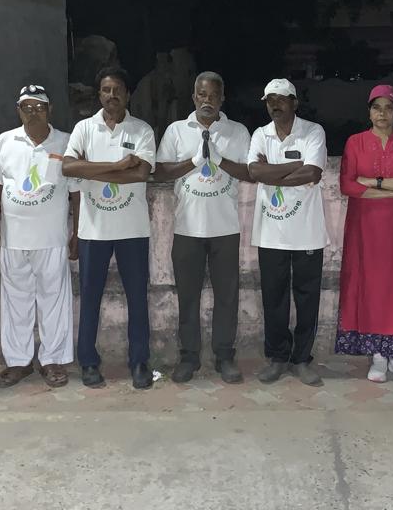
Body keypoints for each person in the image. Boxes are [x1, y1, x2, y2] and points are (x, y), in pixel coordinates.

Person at [153, 71, 253, 384]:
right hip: (187, 228)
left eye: (213, 95)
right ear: (194, 96)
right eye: (202, 94)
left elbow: (249, 173)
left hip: (225, 228)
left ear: (222, 98)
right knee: (188, 297)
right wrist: (194, 161)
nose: (207, 100)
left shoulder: (237, 132)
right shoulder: (176, 130)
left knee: (227, 297)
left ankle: (224, 356)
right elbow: (160, 172)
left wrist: (220, 160)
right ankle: (189, 357)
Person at [61, 66, 157, 389]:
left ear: (127, 94)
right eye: (106, 90)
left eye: (117, 90)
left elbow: (141, 174)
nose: (111, 95)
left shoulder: (142, 130)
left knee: (137, 299)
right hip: (93, 230)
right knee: (90, 298)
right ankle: (88, 362)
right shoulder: (84, 128)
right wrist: (117, 166)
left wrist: (90, 169)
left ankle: (139, 362)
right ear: (99, 94)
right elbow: (68, 167)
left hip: (132, 230)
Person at [0, 84, 79, 388]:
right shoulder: (5, 141)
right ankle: (18, 362)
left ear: (50, 110)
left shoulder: (66, 142)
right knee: (16, 301)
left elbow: (76, 191)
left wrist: (77, 232)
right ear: (18, 111)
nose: (33, 113)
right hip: (13, 237)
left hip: (52, 237)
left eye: (39, 107)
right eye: (27, 107)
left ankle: (52, 360)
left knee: (54, 301)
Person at [335, 84, 393, 382]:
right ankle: (377, 355)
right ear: (369, 112)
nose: (382, 114)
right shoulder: (355, 142)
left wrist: (372, 182)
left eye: (388, 108)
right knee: (370, 286)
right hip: (365, 229)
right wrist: (392, 189)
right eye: (377, 108)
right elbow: (347, 185)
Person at [248, 78, 328, 386]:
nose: (275, 105)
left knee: (307, 298)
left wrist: (271, 172)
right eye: (270, 100)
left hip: (307, 231)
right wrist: (293, 170)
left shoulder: (313, 131)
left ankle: (302, 359)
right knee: (274, 297)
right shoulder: (260, 134)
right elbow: (254, 171)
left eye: (281, 99)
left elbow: (313, 172)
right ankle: (278, 357)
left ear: (295, 102)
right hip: (270, 232)